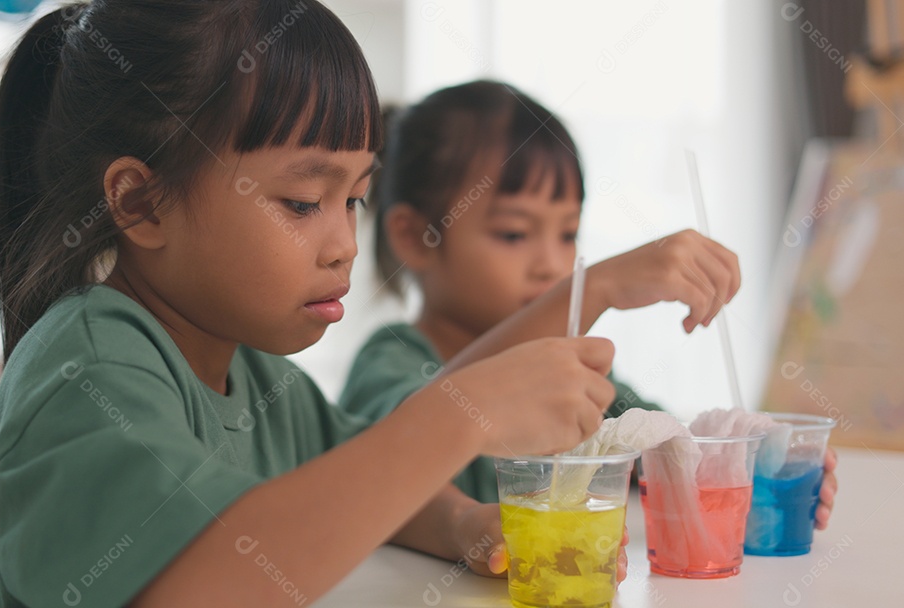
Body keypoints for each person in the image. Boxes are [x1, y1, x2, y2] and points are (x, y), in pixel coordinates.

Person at [0, 4, 622, 605]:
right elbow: (197, 583)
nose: (344, 246)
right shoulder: (88, 370)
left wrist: (467, 526)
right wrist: (462, 417)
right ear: (140, 203)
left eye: (353, 199)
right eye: (302, 203)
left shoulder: (264, 383)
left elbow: (366, 485)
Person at [341, 80, 837, 525]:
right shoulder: (391, 360)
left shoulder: (573, 377)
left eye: (568, 234)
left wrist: (758, 464)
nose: (552, 265)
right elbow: (400, 444)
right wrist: (597, 286)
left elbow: (669, 446)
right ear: (414, 237)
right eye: (514, 233)